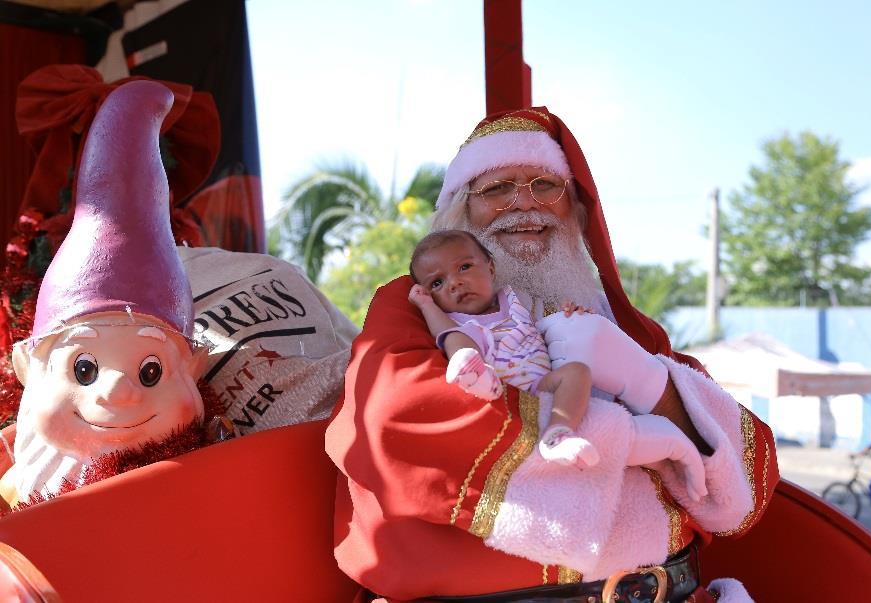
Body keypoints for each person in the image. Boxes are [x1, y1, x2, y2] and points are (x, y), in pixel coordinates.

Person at [326, 107, 779, 603]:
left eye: (545, 185)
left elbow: (742, 488)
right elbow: (399, 419)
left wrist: (649, 380)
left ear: (574, 212)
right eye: (496, 189)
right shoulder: (419, 303)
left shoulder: (627, 325)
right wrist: (625, 438)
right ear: (459, 213)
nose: (524, 203)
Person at [0, 81, 210, 509]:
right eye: (83, 369)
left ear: (193, 368)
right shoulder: (19, 482)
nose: (117, 392)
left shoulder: (207, 468)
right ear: (28, 365)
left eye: (150, 372)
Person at [408, 229, 709, 494]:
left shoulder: (513, 300)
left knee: (577, 372)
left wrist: (569, 313)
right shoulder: (453, 318)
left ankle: (558, 433)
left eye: (464, 267)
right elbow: (441, 330)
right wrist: (424, 304)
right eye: (437, 283)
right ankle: (474, 371)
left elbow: (541, 331)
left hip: (541, 382)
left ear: (490, 266)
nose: (455, 283)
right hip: (496, 383)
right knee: (456, 339)